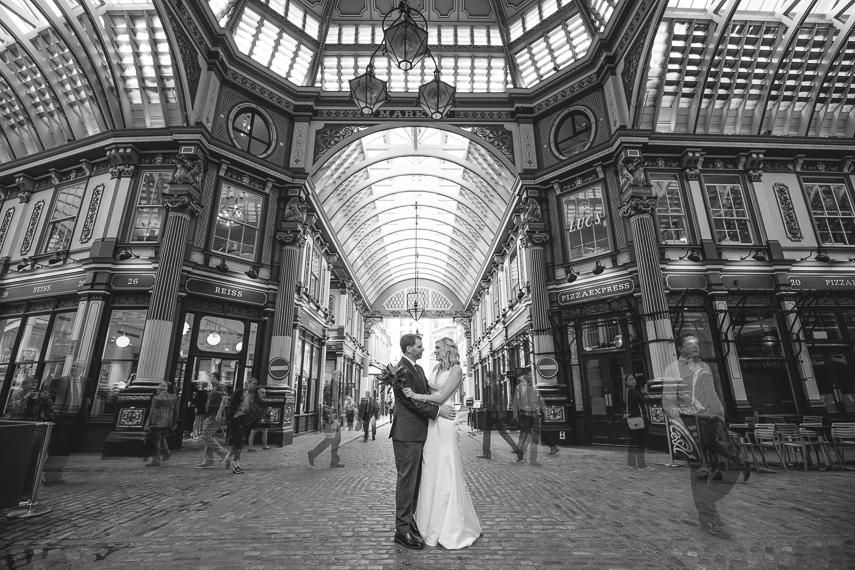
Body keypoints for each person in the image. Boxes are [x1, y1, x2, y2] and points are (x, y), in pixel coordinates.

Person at [401, 336, 479, 550]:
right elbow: (428, 389)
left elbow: (442, 395)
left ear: (447, 349)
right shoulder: (435, 368)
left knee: (446, 467)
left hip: (445, 421)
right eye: (431, 347)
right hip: (432, 422)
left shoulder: (456, 370)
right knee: (430, 468)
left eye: (437, 348)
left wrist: (416, 395)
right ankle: (427, 523)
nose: (432, 351)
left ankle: (451, 525)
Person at [665, 334, 750, 484]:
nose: (696, 346)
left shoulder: (703, 366)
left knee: (707, 443)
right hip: (693, 413)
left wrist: (716, 411)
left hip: (707, 411)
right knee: (703, 443)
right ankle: (715, 469)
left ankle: (739, 461)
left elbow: (710, 390)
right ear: (680, 348)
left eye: (696, 343)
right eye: (691, 344)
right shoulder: (676, 369)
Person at [512, 371, 556, 466]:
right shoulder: (519, 388)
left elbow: (540, 400)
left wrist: (546, 412)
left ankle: (533, 459)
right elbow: (515, 402)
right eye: (529, 375)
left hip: (535, 416)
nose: (531, 376)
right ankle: (521, 455)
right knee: (525, 438)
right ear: (525, 376)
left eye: (532, 375)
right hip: (525, 416)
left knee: (535, 439)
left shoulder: (535, 387)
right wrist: (515, 414)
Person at [477, 371, 522, 461]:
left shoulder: (490, 387)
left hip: (491, 414)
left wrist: (486, 408)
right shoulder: (497, 386)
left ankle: (486, 453)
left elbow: (491, 401)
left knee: (486, 433)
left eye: (485, 376)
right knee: (504, 433)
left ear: (489, 378)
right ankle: (518, 451)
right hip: (499, 414)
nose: (484, 378)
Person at [224, 378, 259, 474]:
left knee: (240, 442)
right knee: (239, 441)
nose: (255, 386)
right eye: (254, 384)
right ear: (248, 383)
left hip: (246, 420)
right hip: (238, 418)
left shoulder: (255, 395)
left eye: (256, 384)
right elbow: (232, 405)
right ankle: (236, 464)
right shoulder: (240, 393)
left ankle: (229, 457)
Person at [196, 373, 229, 469]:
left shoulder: (220, 386)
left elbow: (225, 399)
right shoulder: (214, 388)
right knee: (209, 437)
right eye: (210, 376)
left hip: (214, 415)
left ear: (218, 378)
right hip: (210, 415)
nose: (211, 378)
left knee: (206, 435)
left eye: (213, 377)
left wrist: (219, 414)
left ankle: (223, 453)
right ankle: (209, 461)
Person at [143, 382, 178, 467]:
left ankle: (156, 460)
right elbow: (176, 410)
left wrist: (148, 423)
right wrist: (174, 421)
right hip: (169, 420)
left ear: (159, 389)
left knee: (156, 440)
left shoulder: (157, 398)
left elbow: (152, 412)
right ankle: (166, 452)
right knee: (162, 437)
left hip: (158, 421)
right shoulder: (173, 397)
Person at [624, 374, 652, 470]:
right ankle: (641, 464)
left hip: (630, 418)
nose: (632, 381)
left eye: (633, 379)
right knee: (640, 442)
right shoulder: (632, 390)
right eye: (630, 379)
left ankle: (631, 463)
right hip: (636, 419)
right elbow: (642, 401)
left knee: (633, 441)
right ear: (626, 382)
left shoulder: (627, 391)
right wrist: (645, 393)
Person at [307, 404, 344, 468]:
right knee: (327, 443)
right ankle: (312, 453)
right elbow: (329, 420)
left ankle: (334, 462)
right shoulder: (329, 411)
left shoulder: (332, 412)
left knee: (333, 446)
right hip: (333, 430)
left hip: (335, 430)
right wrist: (332, 417)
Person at [248, 387, 271, 451]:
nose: (264, 394)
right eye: (262, 392)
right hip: (257, 417)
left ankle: (264, 445)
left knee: (264, 430)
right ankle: (251, 446)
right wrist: (267, 410)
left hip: (260, 417)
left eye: (265, 392)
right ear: (259, 393)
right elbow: (258, 408)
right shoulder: (257, 400)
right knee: (254, 431)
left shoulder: (262, 400)